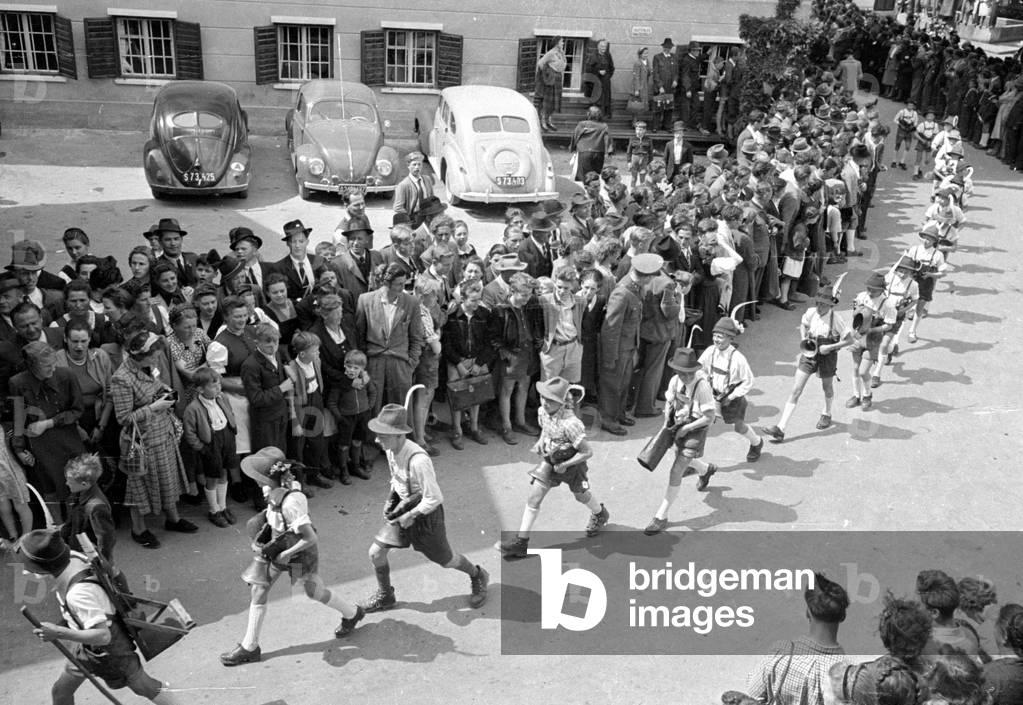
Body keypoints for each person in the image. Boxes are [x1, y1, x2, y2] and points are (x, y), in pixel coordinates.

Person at [219, 448, 365, 667]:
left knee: (313, 592)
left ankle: (352, 613)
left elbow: (310, 537)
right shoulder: (274, 490)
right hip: (278, 547)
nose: (256, 482)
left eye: (259, 478)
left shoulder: (291, 502)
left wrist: (286, 554)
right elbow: (274, 518)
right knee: (258, 589)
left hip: (298, 555)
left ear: (269, 478)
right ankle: (250, 647)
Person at [17, 529, 185, 704]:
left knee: (143, 686)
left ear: (46, 567)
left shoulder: (78, 594)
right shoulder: (73, 557)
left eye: (30, 568)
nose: (26, 572)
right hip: (84, 645)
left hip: (111, 650)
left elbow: (103, 636)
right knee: (60, 691)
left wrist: (57, 632)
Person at [358, 404, 488, 613]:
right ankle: (386, 596)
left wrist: (411, 514)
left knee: (446, 560)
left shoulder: (419, 461)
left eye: (382, 436)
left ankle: (477, 574)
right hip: (403, 510)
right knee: (376, 553)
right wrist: (392, 499)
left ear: (399, 435)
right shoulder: (390, 450)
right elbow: (396, 478)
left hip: (426, 516)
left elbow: (434, 497)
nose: (376, 440)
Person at [497, 376, 607, 558]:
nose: (545, 403)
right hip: (551, 461)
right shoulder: (542, 412)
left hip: (573, 465)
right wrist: (541, 442)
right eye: (543, 397)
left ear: (563, 402)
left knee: (581, 495)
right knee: (534, 498)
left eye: (551, 400)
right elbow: (546, 430)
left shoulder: (572, 424)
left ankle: (600, 513)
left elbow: (587, 452)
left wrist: (566, 464)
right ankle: (520, 543)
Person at [110, 332, 196, 549]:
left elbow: (154, 386)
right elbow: (123, 418)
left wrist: (164, 391)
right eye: (154, 356)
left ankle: (173, 519)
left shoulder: (146, 367)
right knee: (139, 485)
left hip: (162, 433)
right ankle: (138, 529)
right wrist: (153, 408)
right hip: (142, 441)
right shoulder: (122, 378)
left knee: (167, 477)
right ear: (140, 356)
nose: (157, 359)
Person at [761, 281, 853, 443]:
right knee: (796, 390)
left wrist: (830, 347)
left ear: (831, 305)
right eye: (818, 303)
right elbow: (803, 324)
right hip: (809, 352)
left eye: (823, 304)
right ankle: (781, 428)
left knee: (827, 387)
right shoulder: (811, 312)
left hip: (827, 356)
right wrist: (803, 337)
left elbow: (849, 340)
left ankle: (827, 413)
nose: (819, 307)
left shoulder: (836, 319)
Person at [642, 347, 718, 536]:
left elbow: (709, 417)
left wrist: (687, 428)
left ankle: (661, 516)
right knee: (680, 458)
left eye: (690, 373)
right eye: (682, 373)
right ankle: (706, 469)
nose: (686, 377)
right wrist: (667, 419)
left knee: (676, 470)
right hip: (678, 424)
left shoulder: (702, 387)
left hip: (696, 429)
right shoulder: (674, 381)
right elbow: (670, 401)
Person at [745, 573, 849, 705]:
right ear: (842, 616)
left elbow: (750, 698)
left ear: (808, 612)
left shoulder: (780, 653)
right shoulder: (847, 675)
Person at [10, 341, 86, 503]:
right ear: (32, 366)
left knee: (79, 486)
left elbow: (78, 410)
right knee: (51, 490)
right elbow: (18, 419)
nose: (53, 368)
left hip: (69, 438)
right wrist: (19, 449)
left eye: (54, 363)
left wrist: (48, 423)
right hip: (42, 446)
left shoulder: (67, 375)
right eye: (47, 366)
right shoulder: (17, 383)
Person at [599, 253, 662, 436]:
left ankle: (619, 414)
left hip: (628, 346)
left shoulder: (635, 288)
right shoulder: (622, 293)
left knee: (624, 383)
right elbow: (611, 328)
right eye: (651, 278)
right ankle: (608, 420)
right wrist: (610, 357)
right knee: (612, 385)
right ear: (646, 277)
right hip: (617, 348)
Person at [356, 263, 424, 412]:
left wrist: (411, 364)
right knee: (373, 409)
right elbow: (359, 336)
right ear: (386, 283)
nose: (403, 287)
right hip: (374, 363)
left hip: (401, 364)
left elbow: (416, 337)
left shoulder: (411, 302)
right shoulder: (365, 300)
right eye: (399, 284)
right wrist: (364, 365)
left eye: (404, 283)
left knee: (400, 410)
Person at [698, 317, 763, 461]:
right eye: (715, 336)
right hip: (712, 395)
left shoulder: (738, 359)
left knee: (739, 427)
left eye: (720, 337)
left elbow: (748, 381)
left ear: (730, 338)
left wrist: (732, 396)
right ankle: (693, 460)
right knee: (701, 425)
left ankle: (756, 442)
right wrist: (705, 382)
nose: (716, 340)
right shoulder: (710, 351)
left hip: (732, 399)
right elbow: (699, 368)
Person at [182, 367, 238, 528]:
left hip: (226, 437)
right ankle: (214, 510)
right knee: (212, 477)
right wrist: (201, 447)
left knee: (224, 472)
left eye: (219, 384)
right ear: (200, 389)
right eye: (213, 386)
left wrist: (232, 427)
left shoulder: (222, 398)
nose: (218, 388)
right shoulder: (193, 408)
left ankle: (223, 507)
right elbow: (189, 432)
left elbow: (229, 412)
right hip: (211, 443)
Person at [494, 272, 542, 445]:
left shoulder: (529, 306)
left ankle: (520, 422)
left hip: (527, 354)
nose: (527, 298)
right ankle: (507, 426)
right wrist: (505, 353)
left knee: (524, 387)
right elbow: (494, 338)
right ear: (512, 291)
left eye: (530, 294)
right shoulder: (501, 310)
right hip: (511, 355)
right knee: (506, 391)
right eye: (524, 295)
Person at [241, 323, 296, 462]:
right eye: (267, 342)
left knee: (280, 456)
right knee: (267, 460)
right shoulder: (250, 365)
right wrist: (281, 388)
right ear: (257, 342)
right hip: (265, 421)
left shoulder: (276, 355)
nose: (272, 346)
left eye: (275, 342)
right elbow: (256, 398)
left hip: (280, 414)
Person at [846, 272, 896, 412]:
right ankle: (856, 396)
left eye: (873, 290)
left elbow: (889, 325)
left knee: (863, 371)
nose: (869, 292)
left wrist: (872, 330)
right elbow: (855, 315)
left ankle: (867, 395)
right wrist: (856, 313)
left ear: (881, 290)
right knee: (855, 368)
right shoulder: (862, 296)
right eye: (868, 288)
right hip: (858, 336)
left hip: (873, 339)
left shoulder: (888, 304)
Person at [326, 349, 377, 483]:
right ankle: (344, 470)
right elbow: (332, 402)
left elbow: (373, 392)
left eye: (356, 368)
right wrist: (339, 417)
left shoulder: (365, 381)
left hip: (362, 416)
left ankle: (355, 466)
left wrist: (369, 407)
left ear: (362, 369)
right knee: (344, 445)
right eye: (349, 366)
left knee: (357, 441)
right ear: (344, 365)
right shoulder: (340, 384)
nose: (352, 370)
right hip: (346, 418)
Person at [60, 453, 116, 562]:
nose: (66, 483)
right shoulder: (78, 493)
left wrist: (101, 562)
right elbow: (71, 522)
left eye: (70, 481)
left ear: (84, 484)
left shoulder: (97, 507)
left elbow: (106, 539)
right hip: (77, 549)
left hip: (89, 557)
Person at [539, 266, 585, 384]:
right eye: (559, 287)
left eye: (566, 288)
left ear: (573, 286)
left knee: (570, 386)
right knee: (549, 387)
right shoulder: (545, 300)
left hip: (573, 347)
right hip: (553, 349)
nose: (562, 291)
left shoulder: (580, 301)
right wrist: (543, 345)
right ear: (554, 283)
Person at [904, 223, 949, 344]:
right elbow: (905, 263)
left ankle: (912, 331)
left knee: (920, 307)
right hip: (912, 281)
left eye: (929, 239)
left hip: (926, 284)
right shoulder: (914, 249)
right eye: (924, 237)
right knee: (901, 303)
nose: (926, 241)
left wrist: (930, 275)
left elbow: (943, 273)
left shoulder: (938, 255)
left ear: (934, 241)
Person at [273, 220, 325, 303]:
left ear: (307, 242)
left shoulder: (318, 261)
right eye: (293, 242)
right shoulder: (279, 268)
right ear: (287, 243)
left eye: (301, 241)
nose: (297, 246)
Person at [569, 106, 614, 183]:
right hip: (599, 153)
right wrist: (609, 152)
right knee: (595, 176)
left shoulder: (582, 124)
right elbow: (608, 139)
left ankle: (587, 189)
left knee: (585, 177)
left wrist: (572, 148)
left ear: (588, 114)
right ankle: (594, 188)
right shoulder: (604, 126)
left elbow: (575, 136)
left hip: (584, 152)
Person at [392, 152, 436, 227]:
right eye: (414, 164)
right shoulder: (403, 185)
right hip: (413, 219)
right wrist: (408, 218)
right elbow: (398, 207)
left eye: (419, 164)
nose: (417, 167)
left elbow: (432, 198)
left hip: (427, 217)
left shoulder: (427, 179)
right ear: (408, 166)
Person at [154, 218, 198, 287]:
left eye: (176, 239)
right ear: (160, 242)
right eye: (168, 240)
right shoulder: (157, 266)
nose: (173, 243)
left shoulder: (193, 258)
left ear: (181, 239)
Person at [535, 37, 567, 131]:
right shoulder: (551, 53)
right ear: (557, 43)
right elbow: (540, 64)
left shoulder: (561, 53)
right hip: (550, 81)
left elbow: (563, 65)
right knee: (547, 103)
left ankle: (549, 121)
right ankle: (543, 122)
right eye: (561, 42)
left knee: (553, 103)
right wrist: (547, 74)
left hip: (557, 79)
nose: (563, 43)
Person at [651, 38, 677, 131]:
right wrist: (660, 86)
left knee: (669, 108)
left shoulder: (674, 57)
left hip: (670, 87)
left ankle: (667, 126)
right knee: (658, 107)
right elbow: (655, 73)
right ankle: (655, 126)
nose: (667, 49)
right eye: (666, 47)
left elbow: (676, 72)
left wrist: (675, 80)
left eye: (669, 47)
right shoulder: (657, 57)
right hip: (660, 88)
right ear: (663, 47)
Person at [585, 39, 615, 120]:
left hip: (606, 82)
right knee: (597, 99)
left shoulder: (608, 56)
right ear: (598, 47)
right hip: (596, 82)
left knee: (606, 99)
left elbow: (612, 68)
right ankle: (595, 116)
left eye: (605, 46)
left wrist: (607, 76)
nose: (603, 48)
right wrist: (598, 72)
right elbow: (588, 69)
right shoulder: (593, 56)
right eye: (601, 46)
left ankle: (605, 115)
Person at [626, 122, 653, 187]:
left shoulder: (648, 140)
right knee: (633, 178)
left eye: (640, 130)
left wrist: (650, 163)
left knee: (642, 178)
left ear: (644, 130)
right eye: (637, 129)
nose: (638, 132)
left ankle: (642, 191)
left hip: (644, 159)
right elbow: (629, 151)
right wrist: (629, 162)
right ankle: (632, 190)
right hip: (634, 158)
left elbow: (650, 152)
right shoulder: (632, 139)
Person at [631, 48, 651, 127]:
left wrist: (650, 71)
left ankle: (639, 121)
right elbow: (636, 77)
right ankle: (634, 121)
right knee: (637, 104)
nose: (646, 55)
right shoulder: (637, 63)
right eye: (644, 53)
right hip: (639, 87)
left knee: (642, 104)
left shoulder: (647, 62)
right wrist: (636, 89)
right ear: (640, 54)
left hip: (645, 86)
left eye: (647, 53)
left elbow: (648, 73)